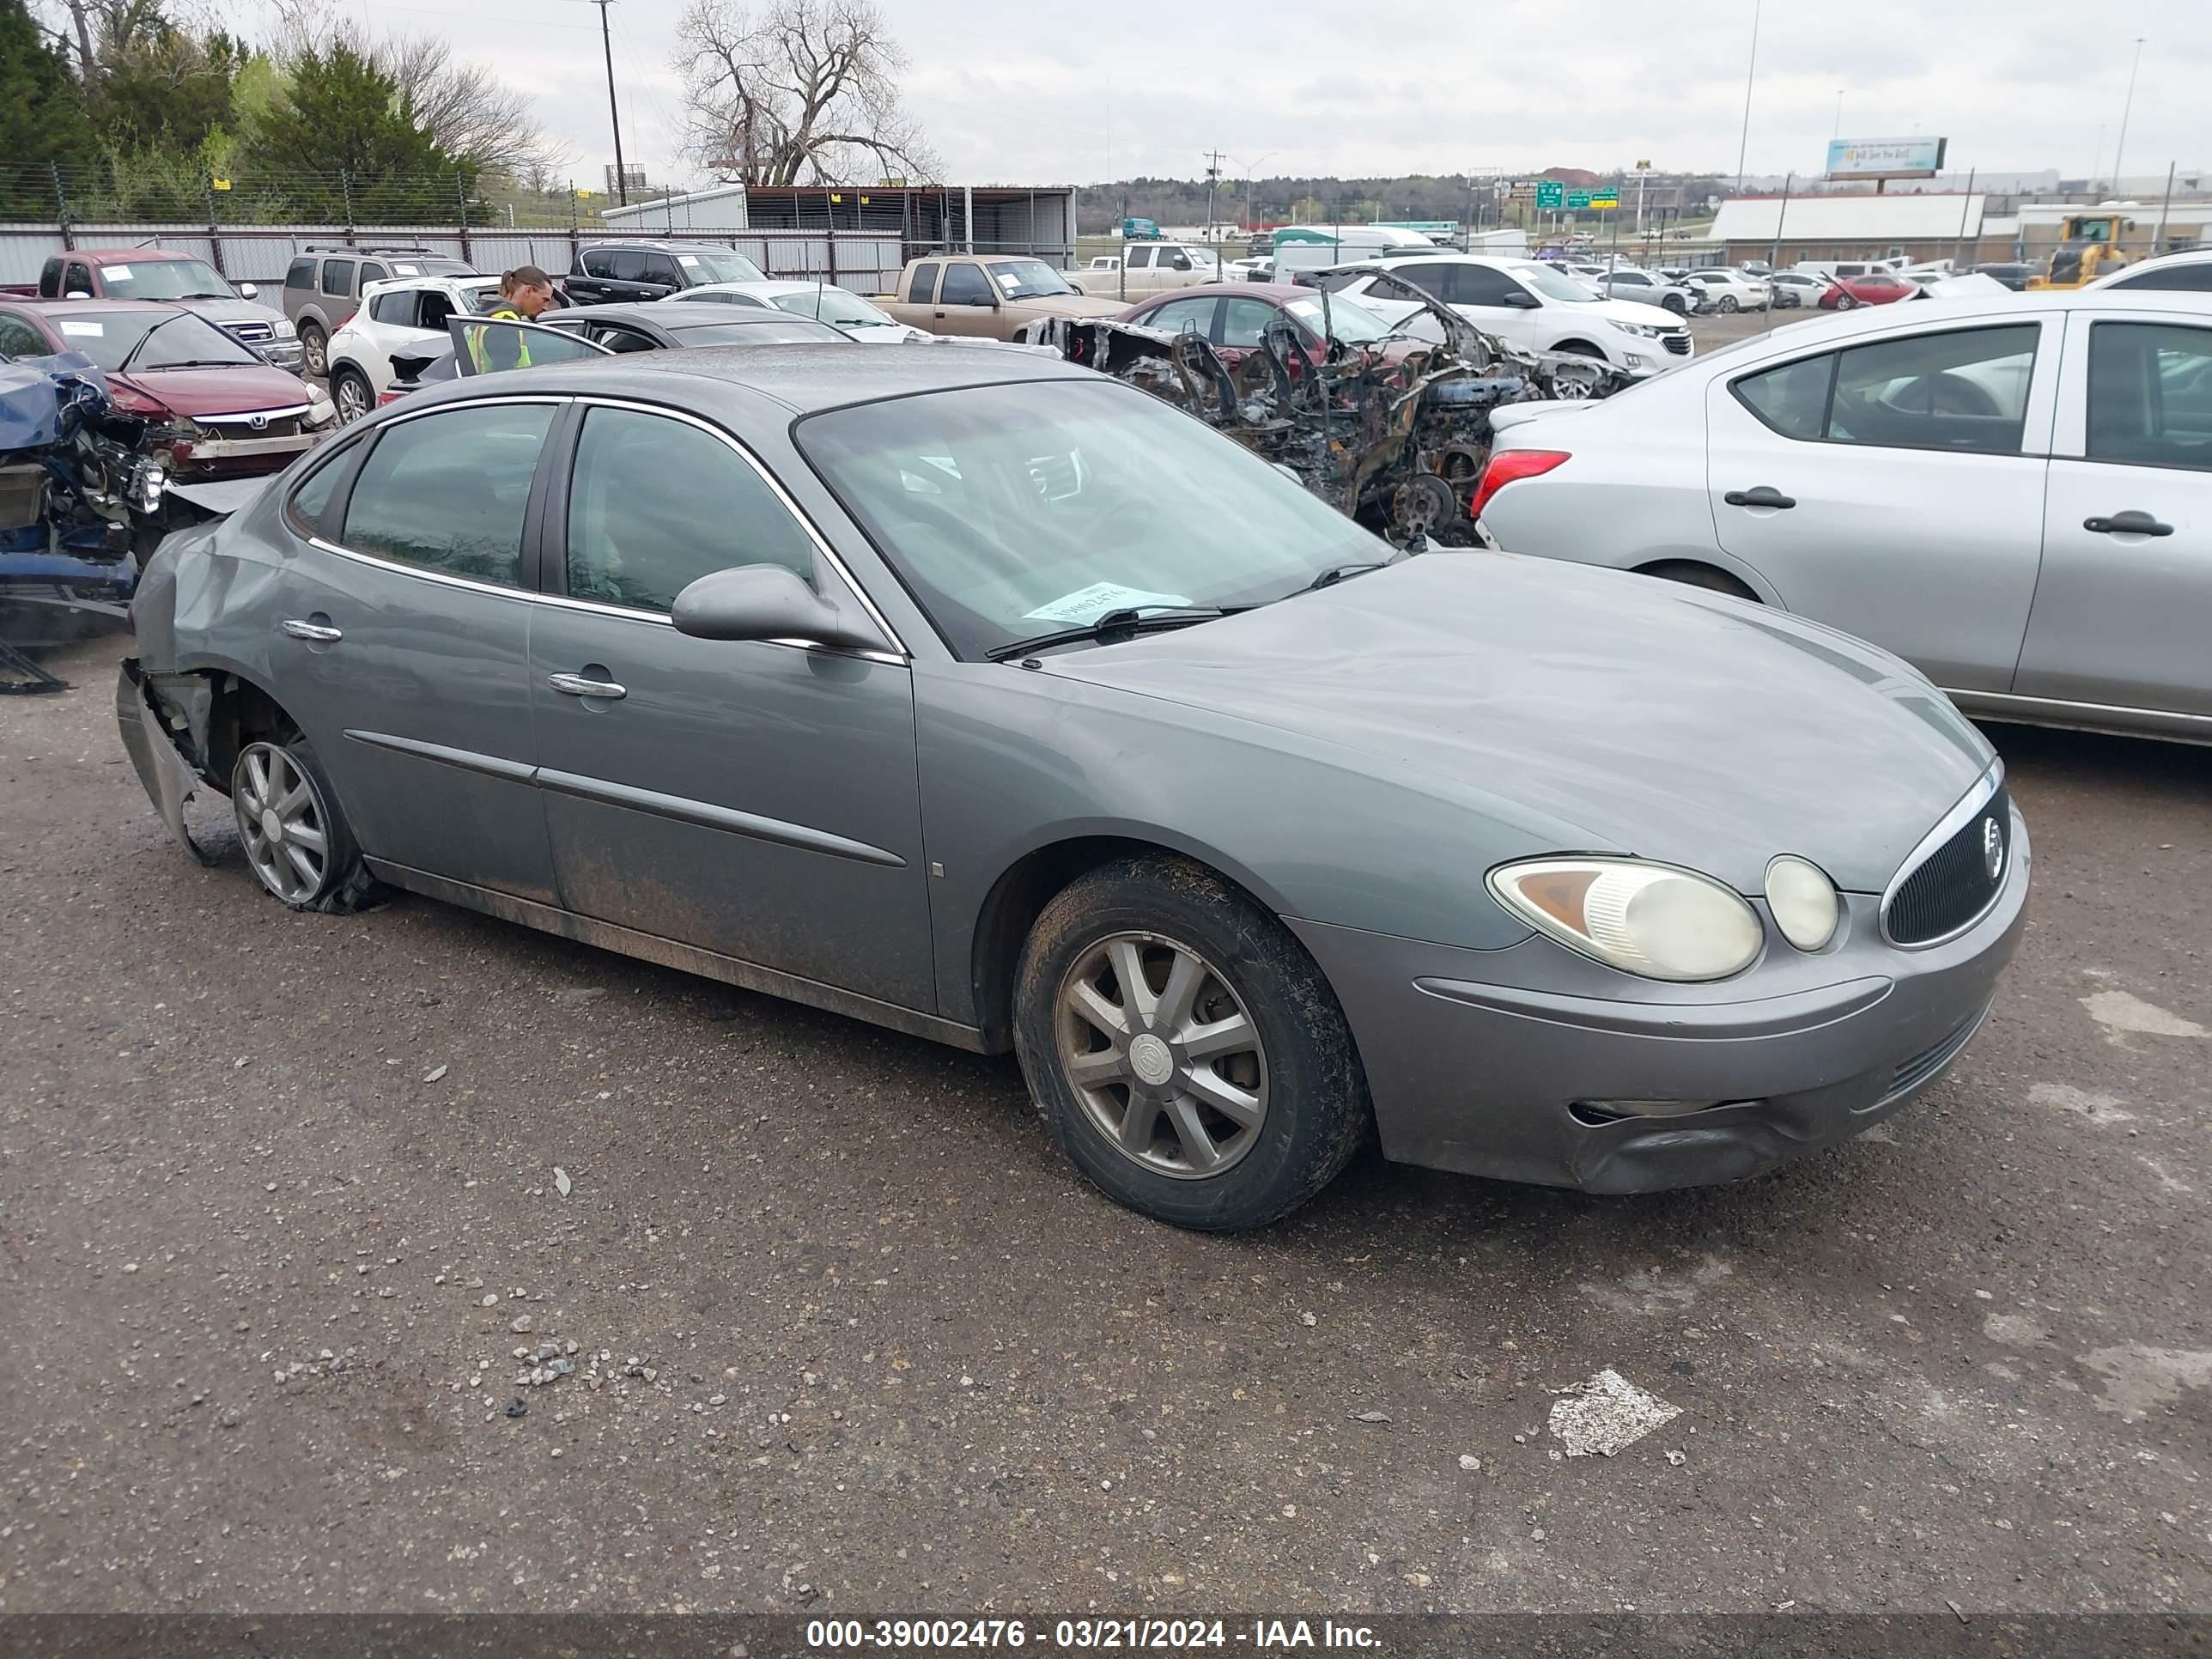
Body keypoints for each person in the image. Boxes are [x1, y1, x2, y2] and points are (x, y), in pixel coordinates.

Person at [471, 265, 559, 373]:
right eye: (544, 300)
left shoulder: (491, 317)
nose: (546, 308)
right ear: (528, 291)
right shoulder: (505, 325)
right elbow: (503, 377)